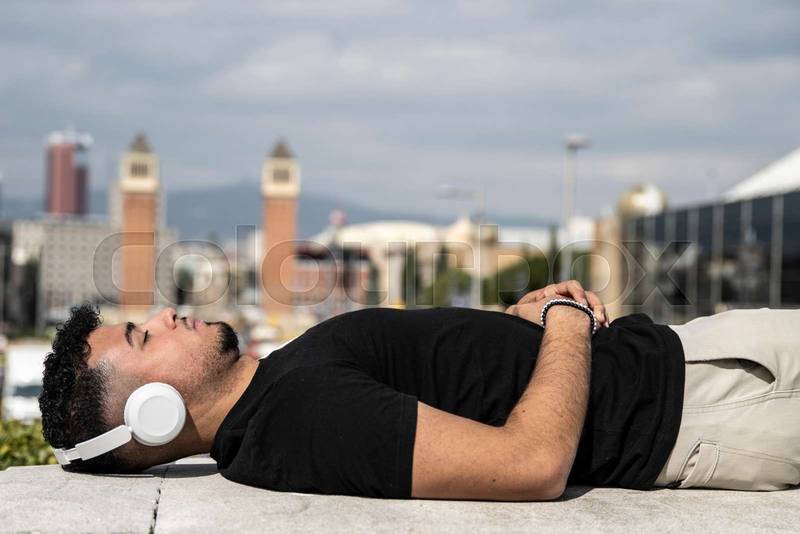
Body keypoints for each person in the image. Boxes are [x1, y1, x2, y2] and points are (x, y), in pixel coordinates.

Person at [38, 280, 800, 500]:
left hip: (704, 367)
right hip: (724, 397)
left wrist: (515, 327)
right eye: (144, 337)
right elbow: (528, 463)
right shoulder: (297, 419)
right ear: (150, 413)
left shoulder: (280, 395)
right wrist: (566, 323)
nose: (166, 314)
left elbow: (449, 381)